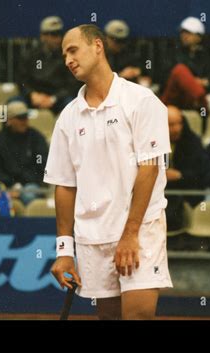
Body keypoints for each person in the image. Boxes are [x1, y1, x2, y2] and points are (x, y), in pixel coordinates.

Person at [45, 24, 172, 320]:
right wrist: (64, 250)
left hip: (140, 230)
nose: (68, 60)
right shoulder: (67, 117)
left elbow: (149, 168)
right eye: (64, 54)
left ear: (98, 46)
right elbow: (64, 185)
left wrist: (130, 234)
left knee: (138, 316)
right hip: (93, 237)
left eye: (73, 50)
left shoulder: (142, 101)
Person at [0, 101, 48, 205]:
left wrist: (20, 186)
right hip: (3, 185)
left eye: (26, 117)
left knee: (29, 193)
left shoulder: (36, 138)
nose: (24, 121)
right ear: (9, 120)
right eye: (20, 118)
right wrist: (10, 185)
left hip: (29, 184)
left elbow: (42, 167)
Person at [17, 16, 81, 114]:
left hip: (58, 98)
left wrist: (53, 98)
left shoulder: (68, 56)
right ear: (43, 36)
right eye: (53, 34)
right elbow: (22, 80)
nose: (58, 38)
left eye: (59, 34)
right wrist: (32, 94)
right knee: (13, 106)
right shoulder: (29, 55)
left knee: (72, 106)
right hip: (33, 96)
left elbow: (72, 84)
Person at [165, 105, 208, 230]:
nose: (176, 129)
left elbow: (201, 174)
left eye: (179, 123)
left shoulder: (193, 142)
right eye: (171, 125)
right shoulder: (151, 141)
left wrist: (179, 175)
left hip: (186, 192)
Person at [160, 17, 210, 110]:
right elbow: (165, 79)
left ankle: (203, 101)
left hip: (191, 98)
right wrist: (191, 81)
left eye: (189, 33)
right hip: (174, 98)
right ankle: (204, 102)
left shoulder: (205, 56)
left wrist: (202, 82)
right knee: (180, 69)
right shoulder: (172, 53)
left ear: (199, 37)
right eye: (182, 32)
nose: (184, 36)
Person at [104, 20, 152, 87]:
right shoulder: (100, 55)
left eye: (122, 41)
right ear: (106, 38)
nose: (119, 45)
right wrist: (120, 75)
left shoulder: (128, 53)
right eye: (115, 40)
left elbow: (143, 68)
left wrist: (137, 71)